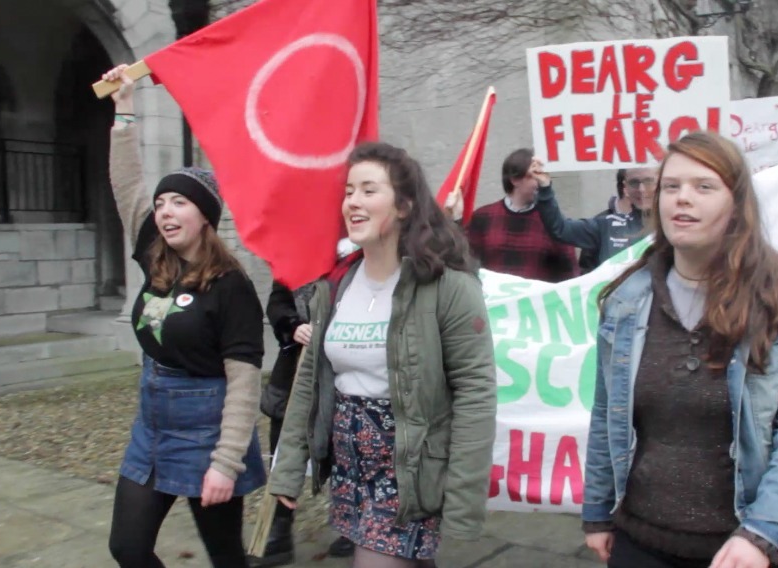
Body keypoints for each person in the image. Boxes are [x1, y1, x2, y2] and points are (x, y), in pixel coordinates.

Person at [582, 131, 778, 568]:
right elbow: (607, 413)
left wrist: (764, 532)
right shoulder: (626, 300)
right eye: (671, 186)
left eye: (703, 186)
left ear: (737, 203)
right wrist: (598, 511)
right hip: (642, 541)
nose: (682, 198)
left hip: (746, 548)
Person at [269, 142, 497, 568]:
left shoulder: (447, 286)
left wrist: (463, 499)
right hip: (350, 473)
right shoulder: (337, 284)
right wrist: (288, 469)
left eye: (368, 190)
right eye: (349, 191)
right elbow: (309, 381)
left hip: (410, 474)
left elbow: (476, 391)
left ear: (405, 206)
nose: (352, 202)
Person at [102, 64, 267, 567]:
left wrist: (226, 462)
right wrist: (124, 109)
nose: (165, 212)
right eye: (161, 204)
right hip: (153, 424)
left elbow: (244, 380)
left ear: (205, 217)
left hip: (207, 429)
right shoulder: (155, 252)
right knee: (128, 547)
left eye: (179, 202)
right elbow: (127, 185)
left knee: (226, 558)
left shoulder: (231, 286)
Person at [252, 240, 361, 567]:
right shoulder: (298, 248)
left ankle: (355, 524)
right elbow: (278, 301)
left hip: (346, 366)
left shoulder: (364, 251)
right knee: (283, 446)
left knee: (349, 447)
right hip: (295, 370)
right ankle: (278, 529)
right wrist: (293, 325)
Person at [466, 148, 578, 282]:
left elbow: (570, 275)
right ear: (515, 179)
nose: (541, 182)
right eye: (535, 175)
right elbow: (468, 265)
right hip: (492, 295)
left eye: (544, 175)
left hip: (538, 295)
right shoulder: (483, 217)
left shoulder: (553, 222)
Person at [537, 165, 658, 272]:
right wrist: (545, 188)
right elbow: (560, 229)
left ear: (661, 183)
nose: (641, 189)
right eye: (634, 183)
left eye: (649, 181)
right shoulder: (607, 226)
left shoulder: (669, 227)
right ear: (625, 187)